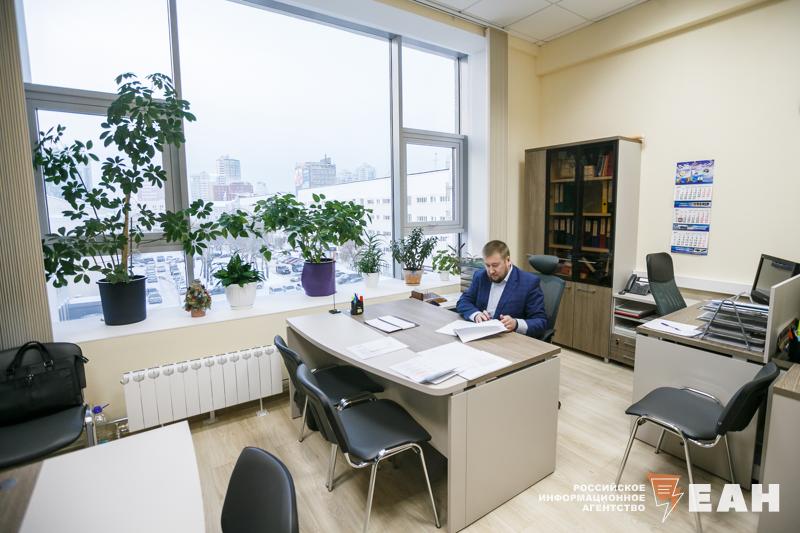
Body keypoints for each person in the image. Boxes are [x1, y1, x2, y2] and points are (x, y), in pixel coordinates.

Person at [456, 240, 547, 338]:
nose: (491, 271)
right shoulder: (480, 276)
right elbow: (463, 301)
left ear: (508, 260)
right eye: (487, 265)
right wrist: (476, 314)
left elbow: (540, 322)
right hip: (480, 335)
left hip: (510, 340)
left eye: (495, 265)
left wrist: (516, 324)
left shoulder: (529, 282)